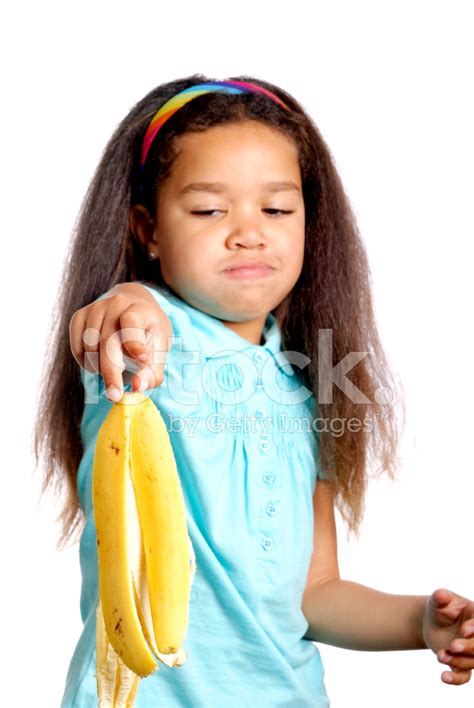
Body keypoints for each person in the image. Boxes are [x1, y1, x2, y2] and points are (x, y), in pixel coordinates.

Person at [34, 75, 474, 707]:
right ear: (148, 230)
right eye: (210, 210)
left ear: (308, 224)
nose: (247, 232)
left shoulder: (309, 387)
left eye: (276, 209)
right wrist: (127, 304)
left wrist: (421, 625)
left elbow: (315, 593)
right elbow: (114, 320)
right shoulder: (144, 343)